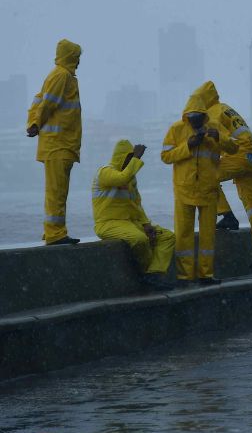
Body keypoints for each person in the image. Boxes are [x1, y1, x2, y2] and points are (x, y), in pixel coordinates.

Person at [193, 81, 252, 270]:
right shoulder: (227, 108)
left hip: (240, 155)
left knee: (204, 177)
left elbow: (221, 139)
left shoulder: (212, 112)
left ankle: (227, 215)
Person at [161, 94, 237, 286]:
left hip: (208, 190)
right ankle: (184, 276)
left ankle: (206, 275)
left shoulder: (215, 128)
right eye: (192, 117)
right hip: (184, 191)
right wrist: (188, 145)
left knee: (207, 236)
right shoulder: (176, 129)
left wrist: (219, 137)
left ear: (204, 116)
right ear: (187, 116)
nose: (195, 121)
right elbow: (166, 156)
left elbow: (234, 148)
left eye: (198, 118)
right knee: (183, 235)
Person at [92, 139, 176, 291]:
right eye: (129, 158)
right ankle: (146, 273)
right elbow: (121, 178)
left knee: (167, 237)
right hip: (108, 223)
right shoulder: (105, 172)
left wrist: (146, 224)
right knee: (139, 239)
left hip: (130, 222)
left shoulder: (131, 178)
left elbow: (136, 203)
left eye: (132, 158)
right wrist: (136, 157)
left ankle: (153, 273)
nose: (132, 161)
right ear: (120, 157)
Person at [26, 39, 83, 246]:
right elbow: (47, 103)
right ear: (70, 56)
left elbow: (38, 100)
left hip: (61, 145)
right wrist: (35, 123)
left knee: (57, 192)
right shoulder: (62, 75)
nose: (78, 62)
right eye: (77, 57)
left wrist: (33, 122)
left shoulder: (60, 75)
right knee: (57, 193)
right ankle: (55, 234)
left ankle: (52, 231)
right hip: (58, 145)